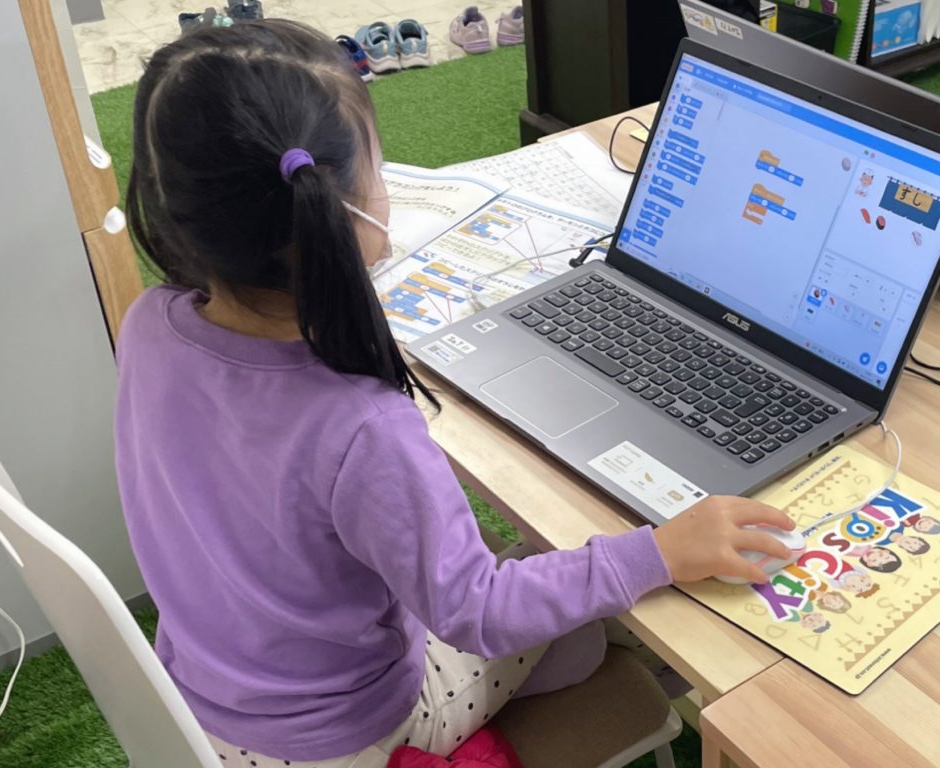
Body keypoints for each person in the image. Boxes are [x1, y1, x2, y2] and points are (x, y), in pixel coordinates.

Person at [115, 19, 796, 768]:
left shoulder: (149, 325)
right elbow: (480, 613)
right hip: (344, 736)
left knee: (551, 584)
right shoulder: (362, 424)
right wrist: (660, 552)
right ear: (342, 211)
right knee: (581, 636)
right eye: (378, 169)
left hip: (205, 694)